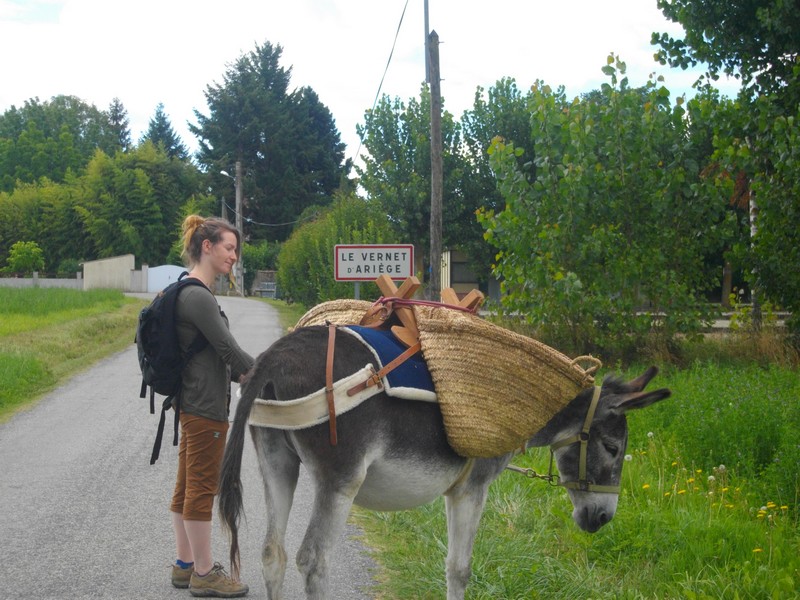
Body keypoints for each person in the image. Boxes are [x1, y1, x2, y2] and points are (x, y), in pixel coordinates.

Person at [169, 215, 254, 597]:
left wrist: (243, 375)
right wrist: (267, 374)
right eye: (229, 248)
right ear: (207, 246)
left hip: (193, 403)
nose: (234, 256)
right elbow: (229, 351)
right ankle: (204, 573)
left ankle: (185, 565)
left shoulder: (184, 290)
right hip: (205, 408)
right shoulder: (198, 296)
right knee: (201, 489)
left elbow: (220, 356)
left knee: (187, 487)